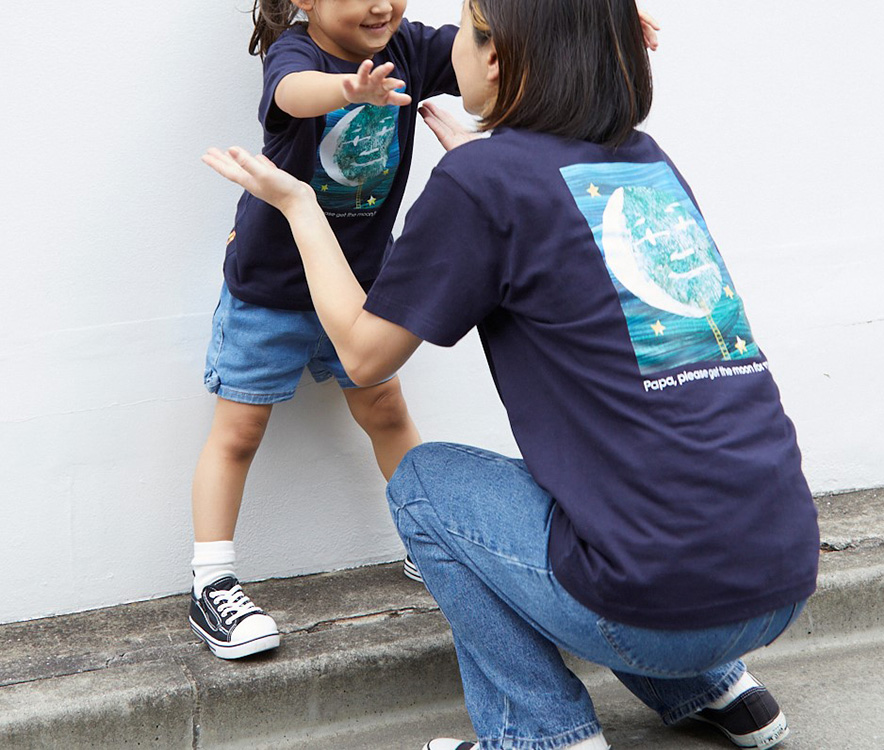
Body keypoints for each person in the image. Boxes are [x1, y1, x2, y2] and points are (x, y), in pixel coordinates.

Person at [203, 1, 819, 749]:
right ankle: (716, 687)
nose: (441, 38)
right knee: (619, 471)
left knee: (426, 485)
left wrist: (299, 205)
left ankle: (541, 735)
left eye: (463, 26)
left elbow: (362, 355)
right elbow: (536, 204)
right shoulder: (644, 158)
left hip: (655, 609)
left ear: (494, 57)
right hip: (780, 577)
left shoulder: (485, 182)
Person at [188, 0, 461, 660]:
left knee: (388, 411)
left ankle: (430, 545)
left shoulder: (414, 47)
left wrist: (605, 24)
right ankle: (211, 582)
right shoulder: (298, 51)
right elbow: (291, 92)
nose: (380, 4)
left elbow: (497, 48)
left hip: (360, 291)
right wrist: (350, 89)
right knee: (239, 432)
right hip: (271, 294)